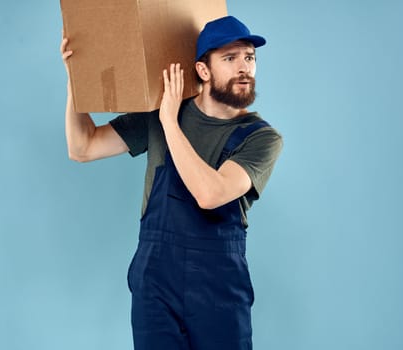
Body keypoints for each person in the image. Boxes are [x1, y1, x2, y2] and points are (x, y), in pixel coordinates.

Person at [61, 15, 282, 350]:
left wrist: (169, 123)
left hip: (218, 287)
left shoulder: (261, 138)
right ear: (203, 70)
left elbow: (211, 194)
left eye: (250, 58)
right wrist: (75, 79)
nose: (244, 68)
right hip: (156, 281)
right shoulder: (161, 111)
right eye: (230, 58)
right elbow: (83, 146)